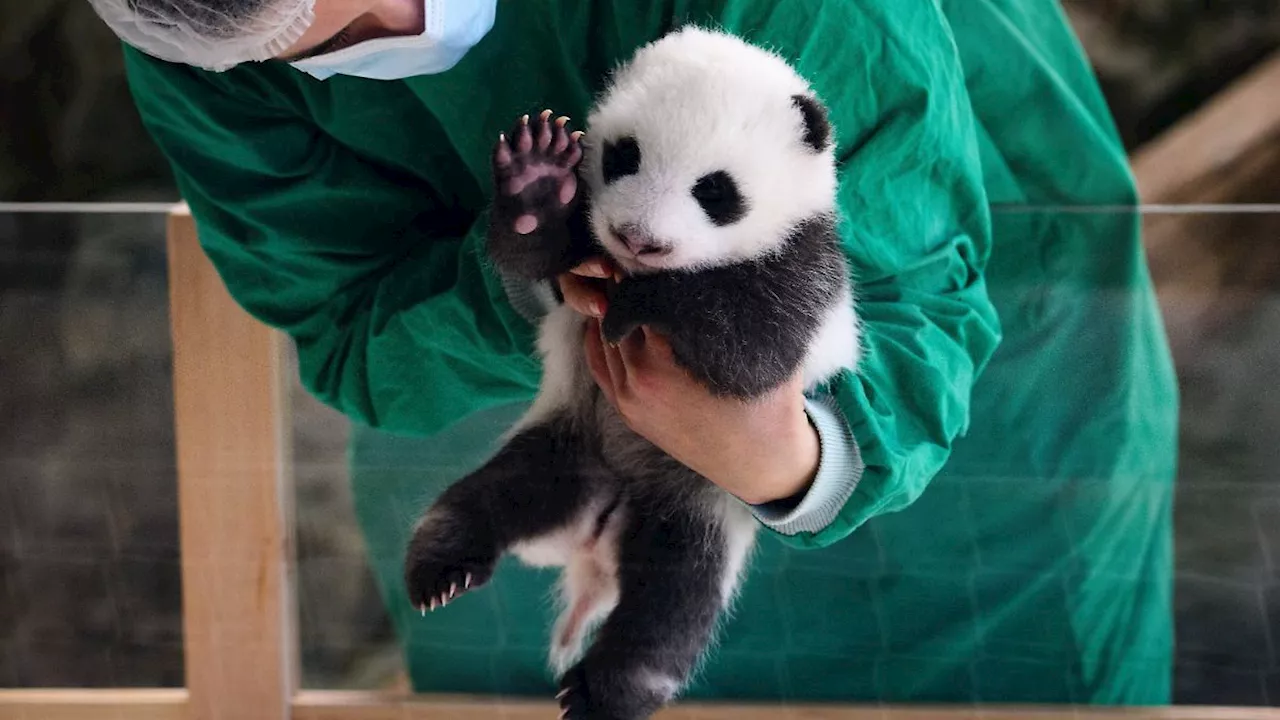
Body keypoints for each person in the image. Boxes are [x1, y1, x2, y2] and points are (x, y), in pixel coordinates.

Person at [90, 0, 1179, 705]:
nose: (386, 26)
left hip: (972, 421)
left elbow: (913, 284)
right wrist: (521, 270)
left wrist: (788, 456)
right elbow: (356, 335)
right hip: (535, 422)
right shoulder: (203, 57)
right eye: (328, 41)